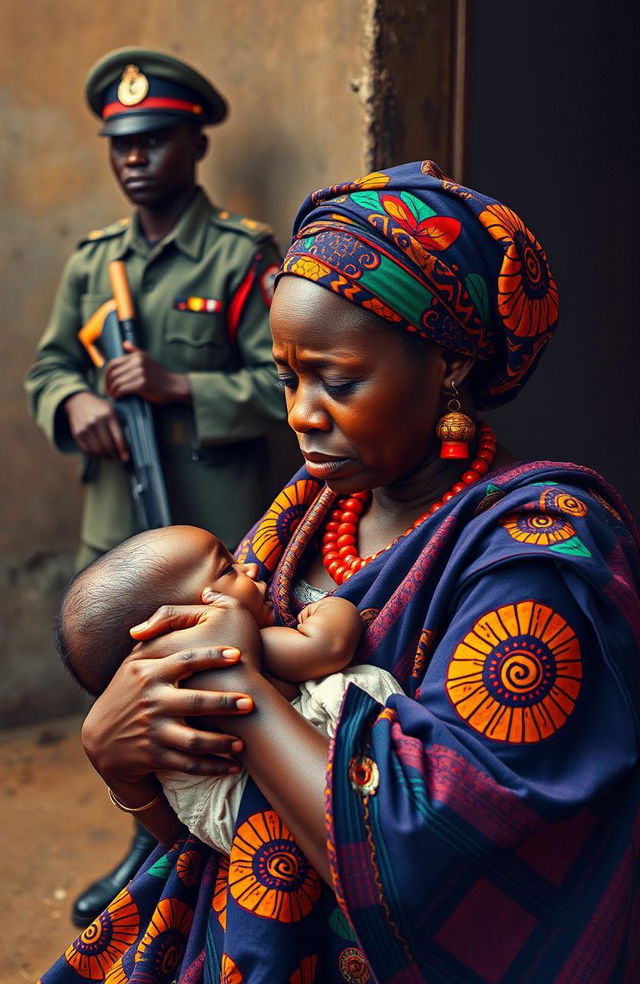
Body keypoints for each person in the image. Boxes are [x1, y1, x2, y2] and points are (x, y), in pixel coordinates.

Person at [39, 161, 640, 983]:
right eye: (288, 377)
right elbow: (222, 817)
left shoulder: (540, 554)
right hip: (243, 940)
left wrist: (237, 682)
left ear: (449, 364)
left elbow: (422, 850)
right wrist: (122, 762)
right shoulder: (312, 508)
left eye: (337, 379)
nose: (299, 414)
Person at [24, 47, 286, 927]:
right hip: (119, 531)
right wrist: (77, 404)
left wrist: (182, 388)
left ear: (194, 146)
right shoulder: (93, 265)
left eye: (154, 141)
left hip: (211, 528)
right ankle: (147, 854)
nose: (134, 158)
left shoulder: (240, 256)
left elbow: (290, 388)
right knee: (128, 706)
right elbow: (50, 367)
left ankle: (218, 862)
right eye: (120, 145)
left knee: (213, 703)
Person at [56, 523, 401, 854]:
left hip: (224, 827)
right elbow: (328, 647)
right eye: (227, 570)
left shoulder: (159, 704)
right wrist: (331, 607)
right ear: (180, 619)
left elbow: (173, 840)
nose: (251, 567)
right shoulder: (239, 648)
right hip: (312, 804)